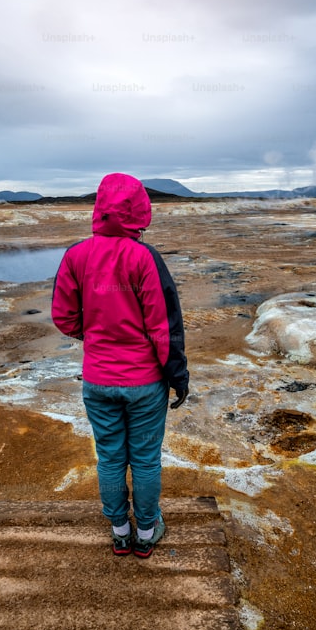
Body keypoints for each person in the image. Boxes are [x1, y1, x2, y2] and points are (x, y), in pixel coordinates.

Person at [51, 172, 189, 558]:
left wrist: (95, 336)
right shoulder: (145, 258)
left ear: (99, 209)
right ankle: (147, 532)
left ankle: (120, 530)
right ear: (139, 210)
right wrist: (178, 376)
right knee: (144, 458)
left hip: (97, 380)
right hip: (144, 382)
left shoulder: (76, 255)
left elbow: (63, 318)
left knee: (110, 456)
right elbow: (164, 326)